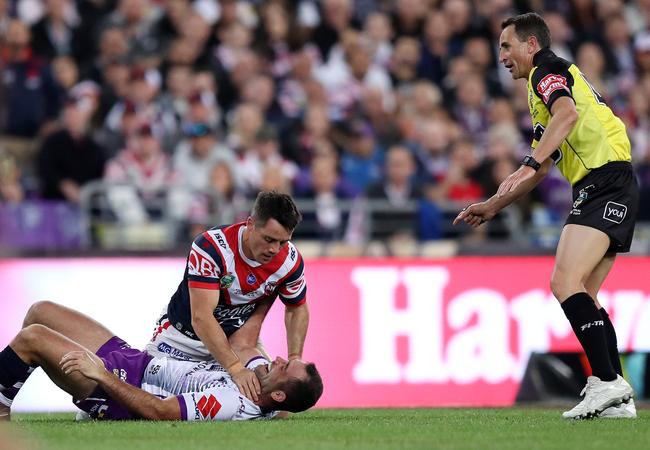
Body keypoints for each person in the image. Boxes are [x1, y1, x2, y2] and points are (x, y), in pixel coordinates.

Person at [454, 12, 638, 420]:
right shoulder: (540, 94)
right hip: (610, 182)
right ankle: (618, 398)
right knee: (584, 293)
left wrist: (527, 161)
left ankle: (607, 382)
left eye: (506, 45)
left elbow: (567, 116)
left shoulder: (548, 71)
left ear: (531, 44)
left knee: (563, 282)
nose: (501, 55)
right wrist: (493, 205)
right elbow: (542, 165)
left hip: (603, 181)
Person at [0, 302, 322, 422]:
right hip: (137, 359)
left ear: (278, 392)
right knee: (39, 312)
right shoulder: (261, 380)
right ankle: (12, 382)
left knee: (34, 337)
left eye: (285, 366)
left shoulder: (231, 403)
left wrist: (101, 376)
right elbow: (247, 341)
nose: (278, 359)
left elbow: (161, 411)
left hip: (116, 386)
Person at [146, 190, 309, 404]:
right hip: (182, 340)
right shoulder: (211, 248)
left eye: (282, 242)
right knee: (146, 404)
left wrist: (295, 358)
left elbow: (297, 307)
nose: (274, 249)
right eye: (269, 239)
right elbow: (201, 318)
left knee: (279, 404)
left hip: (237, 343)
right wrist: (235, 369)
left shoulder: (289, 260)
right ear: (250, 224)